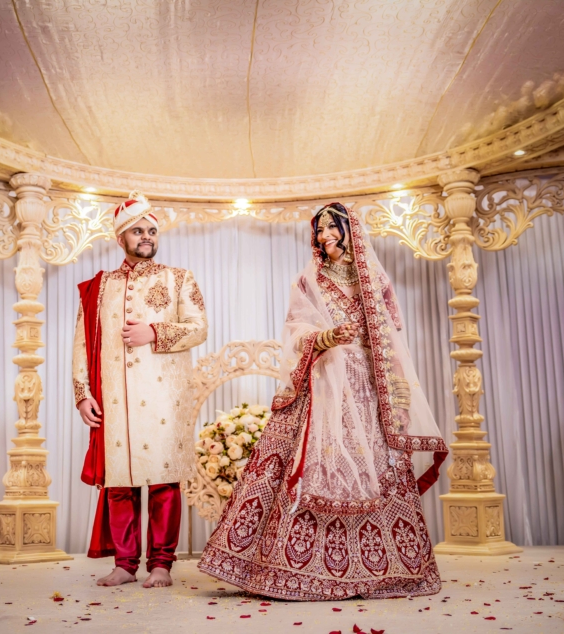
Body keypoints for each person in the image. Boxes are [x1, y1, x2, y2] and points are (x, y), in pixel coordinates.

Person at [199, 202, 448, 600]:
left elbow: (393, 343)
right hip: (323, 386)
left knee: (379, 472)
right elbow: (295, 329)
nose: (324, 234)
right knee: (313, 466)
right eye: (319, 229)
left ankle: (386, 570)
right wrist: (326, 338)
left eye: (333, 227)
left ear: (352, 231)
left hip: (369, 391)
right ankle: (292, 571)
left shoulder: (376, 282)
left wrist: (399, 399)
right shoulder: (308, 280)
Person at [73, 192, 208, 588]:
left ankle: (162, 564)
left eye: (152, 231)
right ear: (121, 238)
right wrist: (83, 393)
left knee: (164, 481)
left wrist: (154, 332)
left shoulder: (179, 278)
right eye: (138, 231)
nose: (147, 237)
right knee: (120, 482)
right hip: (115, 399)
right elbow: (82, 343)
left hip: (166, 397)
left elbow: (199, 327)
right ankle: (124, 564)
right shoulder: (99, 288)